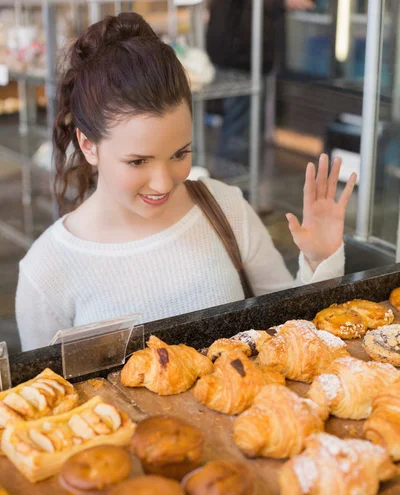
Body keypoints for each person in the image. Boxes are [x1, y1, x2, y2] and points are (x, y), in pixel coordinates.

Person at [16, 12, 357, 352]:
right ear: (88, 145)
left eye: (180, 154)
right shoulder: (46, 272)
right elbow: (47, 397)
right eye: (138, 161)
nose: (163, 183)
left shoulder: (225, 209)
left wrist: (318, 260)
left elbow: (291, 333)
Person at [206, 0, 315, 161]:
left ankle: (234, 178)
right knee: (240, 132)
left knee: (242, 129)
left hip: (240, 55)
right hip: (241, 57)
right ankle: (233, 180)